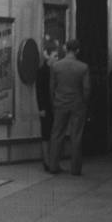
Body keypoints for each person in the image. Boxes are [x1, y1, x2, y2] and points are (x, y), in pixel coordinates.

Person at [47, 38, 91, 176]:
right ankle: (75, 169)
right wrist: (85, 103)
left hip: (60, 103)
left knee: (57, 134)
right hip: (77, 104)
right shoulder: (83, 67)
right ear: (78, 50)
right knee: (76, 136)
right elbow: (87, 89)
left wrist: (54, 102)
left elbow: (51, 87)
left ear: (65, 48)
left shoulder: (56, 66)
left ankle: (53, 166)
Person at [36, 40, 59, 171]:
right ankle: (46, 161)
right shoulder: (42, 71)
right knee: (46, 134)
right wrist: (41, 108)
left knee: (53, 134)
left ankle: (52, 160)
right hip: (46, 107)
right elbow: (39, 91)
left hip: (55, 106)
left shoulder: (56, 70)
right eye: (55, 56)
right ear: (48, 55)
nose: (57, 58)